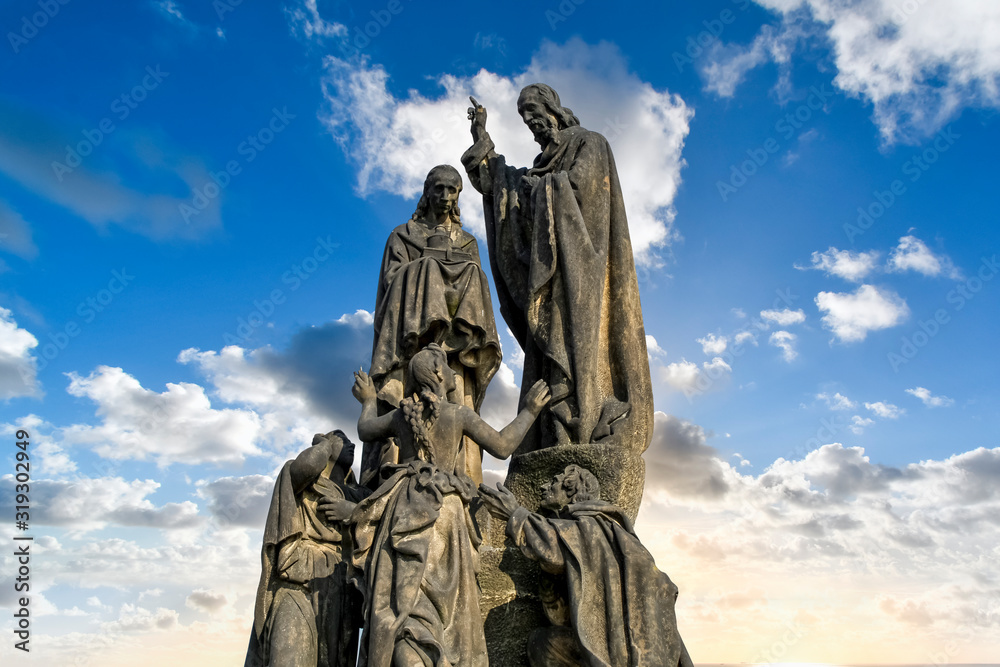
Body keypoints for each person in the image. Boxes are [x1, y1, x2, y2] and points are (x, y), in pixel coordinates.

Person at [462, 84, 653, 454]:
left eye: (533, 110)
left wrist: (544, 189)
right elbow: (503, 185)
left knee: (574, 348)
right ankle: (551, 434)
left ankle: (578, 426)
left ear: (553, 108)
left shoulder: (589, 143)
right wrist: (481, 136)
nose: (530, 121)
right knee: (547, 355)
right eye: (523, 116)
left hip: (579, 273)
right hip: (546, 274)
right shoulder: (540, 165)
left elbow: (584, 193)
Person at [347, 344, 550, 667]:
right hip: (445, 507)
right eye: (450, 367)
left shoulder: (402, 415)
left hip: (405, 502)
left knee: (405, 598)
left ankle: (411, 652)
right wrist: (529, 410)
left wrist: (369, 400)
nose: (456, 373)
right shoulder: (458, 415)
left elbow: (365, 430)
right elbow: (502, 445)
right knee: (448, 605)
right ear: (440, 374)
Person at [367, 164, 502, 487]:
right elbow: (390, 282)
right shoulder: (402, 235)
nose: (444, 196)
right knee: (426, 266)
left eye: (451, 190)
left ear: (458, 196)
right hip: (409, 341)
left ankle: (455, 339)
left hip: (456, 354)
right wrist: (429, 268)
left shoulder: (467, 242)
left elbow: (479, 289)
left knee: (474, 274)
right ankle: (396, 481)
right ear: (426, 193)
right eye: (438, 188)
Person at [479, 465, 693, 667]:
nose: (544, 487)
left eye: (554, 482)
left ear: (572, 491)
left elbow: (554, 549)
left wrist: (515, 514)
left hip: (611, 645)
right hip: (631, 644)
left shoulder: (588, 527)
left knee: (544, 643)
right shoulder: (613, 531)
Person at [245, 431, 368, 667]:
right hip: (296, 578)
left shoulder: (361, 495)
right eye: (343, 438)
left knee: (331, 660)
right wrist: (323, 445)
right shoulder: (301, 477)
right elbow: (308, 465)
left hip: (339, 583)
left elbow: (381, 522)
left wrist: (353, 512)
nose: (352, 444)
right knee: (288, 655)